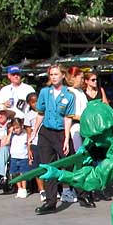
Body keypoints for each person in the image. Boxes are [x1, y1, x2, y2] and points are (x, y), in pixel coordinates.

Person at [30, 64, 75, 214]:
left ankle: (82, 193)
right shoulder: (44, 92)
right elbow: (40, 114)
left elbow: (68, 118)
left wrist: (66, 138)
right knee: (47, 166)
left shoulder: (69, 95)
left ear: (63, 75)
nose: (54, 77)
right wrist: (33, 133)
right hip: (46, 132)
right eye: (51, 75)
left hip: (61, 132)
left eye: (56, 74)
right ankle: (50, 202)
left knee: (69, 163)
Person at [63, 67, 94, 208]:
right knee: (77, 159)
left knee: (85, 159)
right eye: (80, 78)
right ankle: (79, 192)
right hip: (74, 128)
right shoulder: (70, 93)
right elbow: (69, 114)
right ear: (73, 78)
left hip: (84, 127)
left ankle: (85, 189)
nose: (82, 80)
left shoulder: (81, 92)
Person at [7, 116, 30, 198]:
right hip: (14, 157)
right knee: (15, 173)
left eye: (17, 128)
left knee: (23, 173)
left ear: (21, 126)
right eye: (14, 128)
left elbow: (28, 145)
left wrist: (29, 156)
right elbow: (6, 143)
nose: (16, 130)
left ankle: (24, 189)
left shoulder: (25, 135)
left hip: (23, 156)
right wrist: (10, 132)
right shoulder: (13, 135)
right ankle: (19, 188)